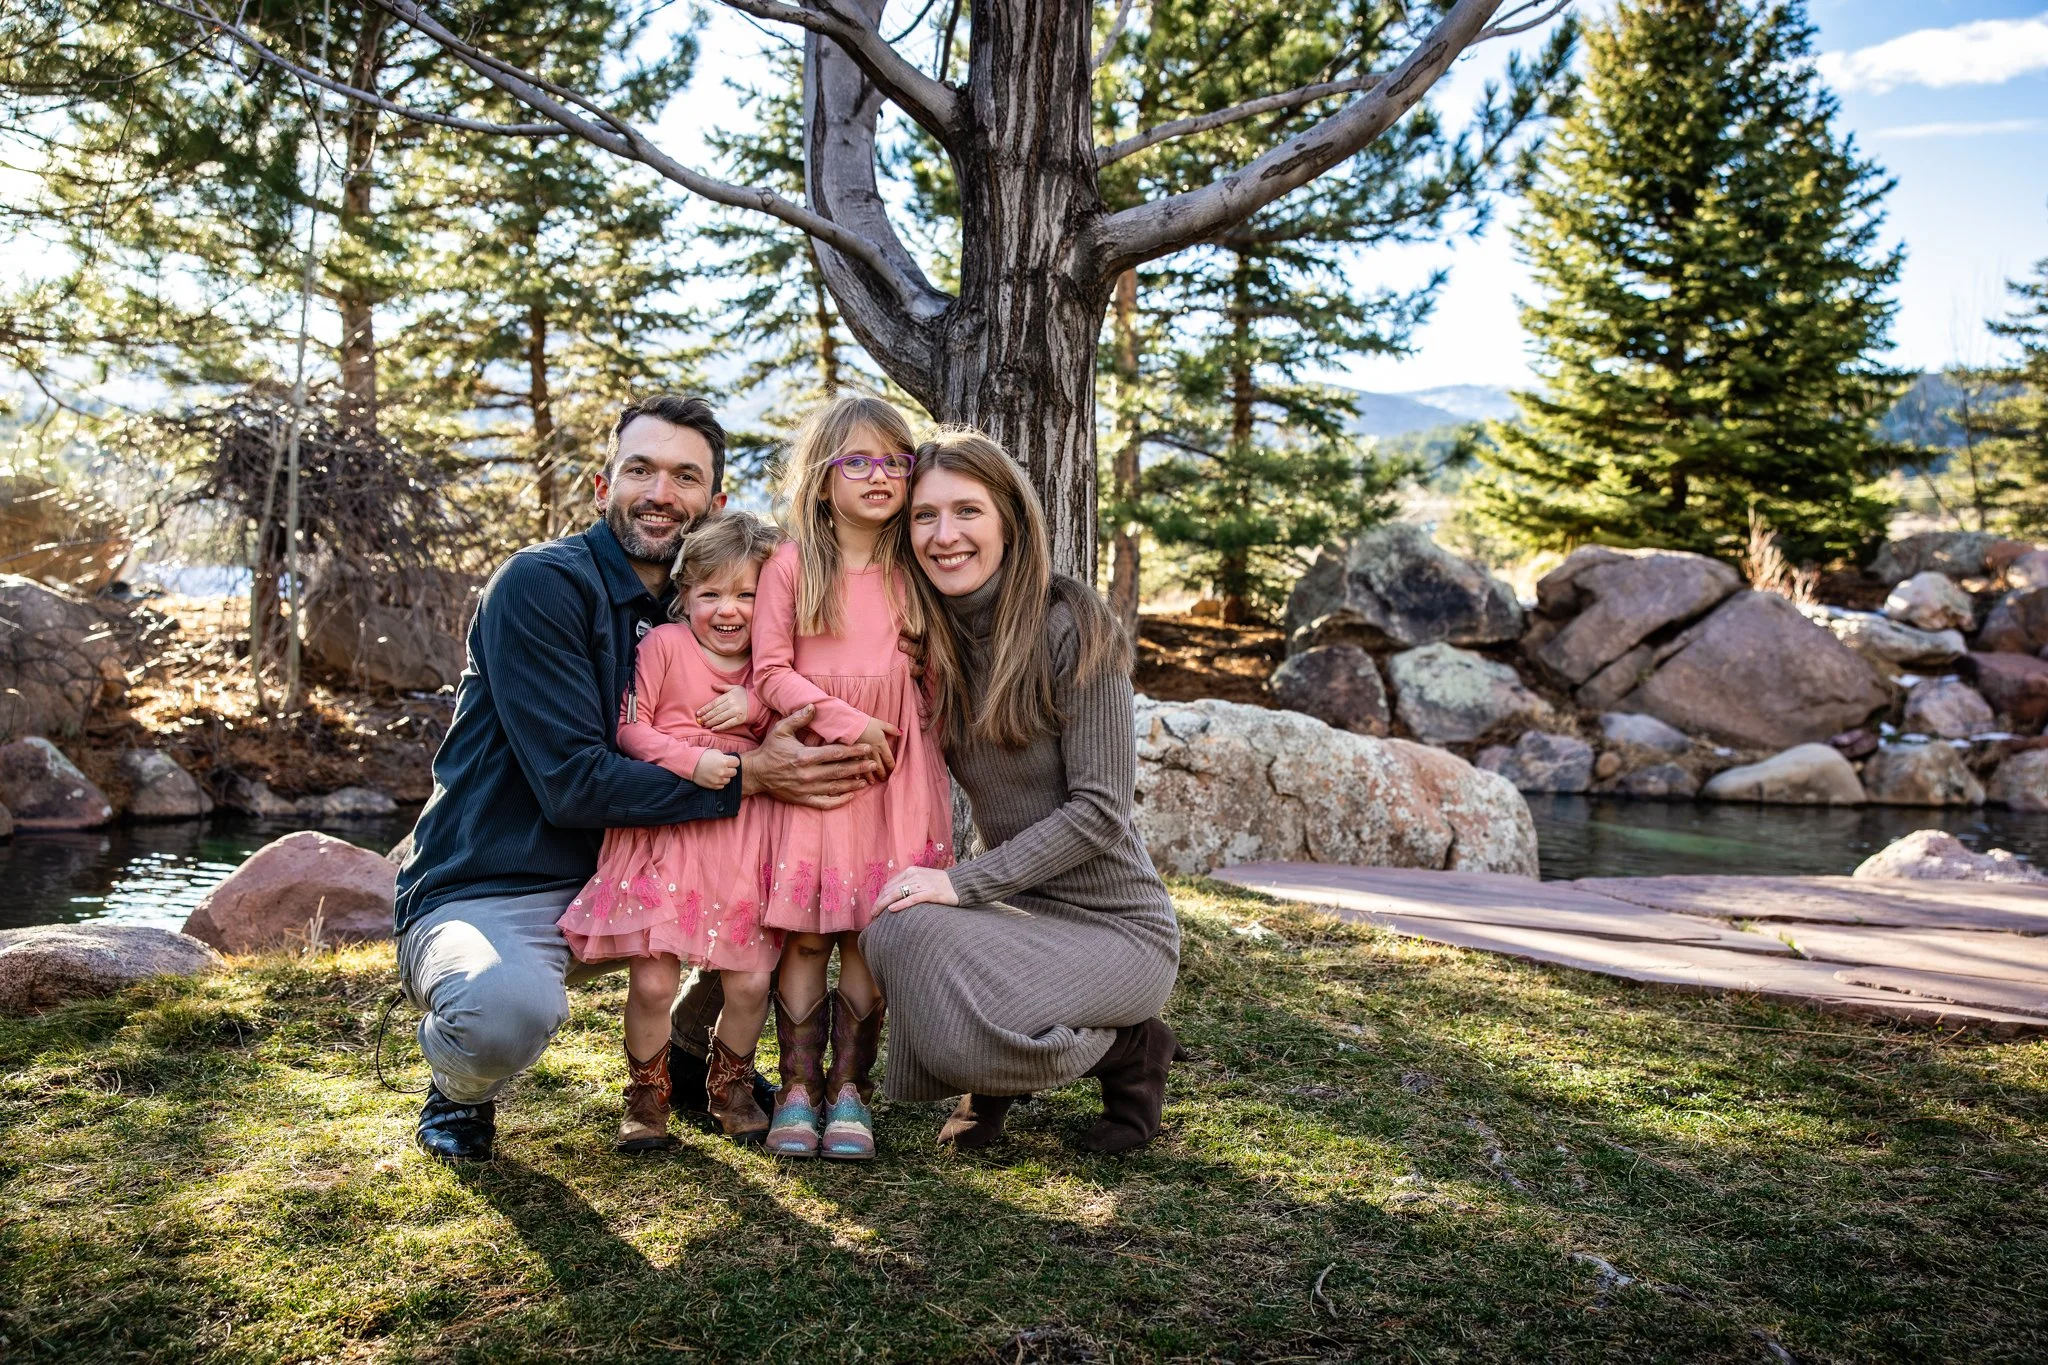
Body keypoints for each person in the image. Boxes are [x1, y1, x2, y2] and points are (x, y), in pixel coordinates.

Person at [393, 395, 874, 1164]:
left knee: (796, 901)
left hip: (655, 860)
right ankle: (460, 1085)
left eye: (686, 477)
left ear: (713, 503)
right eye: (640, 470)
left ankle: (699, 1059)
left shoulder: (716, 604)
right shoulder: (540, 587)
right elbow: (573, 781)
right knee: (501, 1009)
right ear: (601, 483)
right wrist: (746, 777)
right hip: (505, 879)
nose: (661, 493)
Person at [863, 428, 1182, 1154]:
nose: (945, 535)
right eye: (924, 515)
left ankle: (1127, 1050)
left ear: (1010, 517)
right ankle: (997, 1071)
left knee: (944, 1004)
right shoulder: (928, 634)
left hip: (1119, 929)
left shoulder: (1072, 622)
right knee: (893, 925)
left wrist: (962, 882)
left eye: (967, 511)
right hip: (1019, 916)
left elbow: (1100, 813)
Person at [749, 395, 955, 1160]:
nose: (879, 476)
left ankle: (850, 1092)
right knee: (806, 934)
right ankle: (796, 1090)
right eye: (858, 461)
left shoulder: (916, 569)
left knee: (872, 930)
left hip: (899, 774)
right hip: (822, 770)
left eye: (895, 461)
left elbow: (937, 673)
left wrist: (908, 713)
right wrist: (845, 721)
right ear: (823, 477)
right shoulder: (793, 564)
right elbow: (770, 670)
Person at [557, 511, 786, 1151]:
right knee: (654, 980)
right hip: (665, 838)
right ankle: (647, 1095)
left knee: (748, 980)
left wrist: (759, 704)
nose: (729, 610)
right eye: (710, 593)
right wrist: (697, 761)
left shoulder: (776, 666)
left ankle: (729, 1084)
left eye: (748, 594)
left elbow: (804, 715)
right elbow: (630, 730)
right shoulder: (663, 646)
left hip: (742, 843)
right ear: (683, 596)